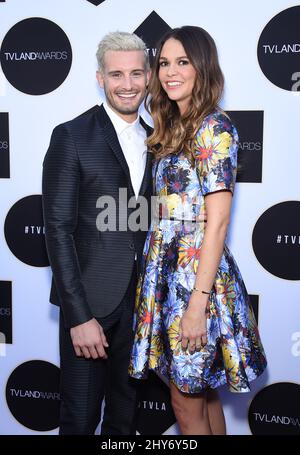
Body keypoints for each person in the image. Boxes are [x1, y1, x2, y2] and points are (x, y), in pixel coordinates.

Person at [129, 26, 267, 435]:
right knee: (202, 393)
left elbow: (218, 221)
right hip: (167, 274)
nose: (171, 72)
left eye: (183, 62)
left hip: (194, 281)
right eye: (165, 63)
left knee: (184, 400)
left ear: (202, 67)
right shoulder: (172, 127)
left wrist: (197, 305)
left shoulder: (213, 128)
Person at [42, 31, 152, 435]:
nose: (127, 84)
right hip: (91, 306)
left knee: (125, 418)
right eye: (117, 74)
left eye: (136, 73)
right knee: (80, 418)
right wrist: (79, 316)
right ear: (100, 78)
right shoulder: (71, 136)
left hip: (140, 306)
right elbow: (57, 229)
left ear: (148, 77)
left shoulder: (157, 139)